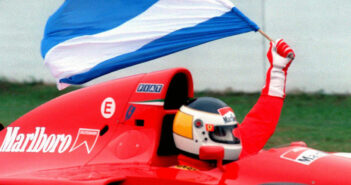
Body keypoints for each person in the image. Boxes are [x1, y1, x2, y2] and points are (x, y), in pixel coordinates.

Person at [172, 39, 295, 164]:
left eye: (231, 131)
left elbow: (263, 120)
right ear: (197, 136)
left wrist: (278, 70)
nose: (233, 138)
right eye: (222, 133)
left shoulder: (238, 150)